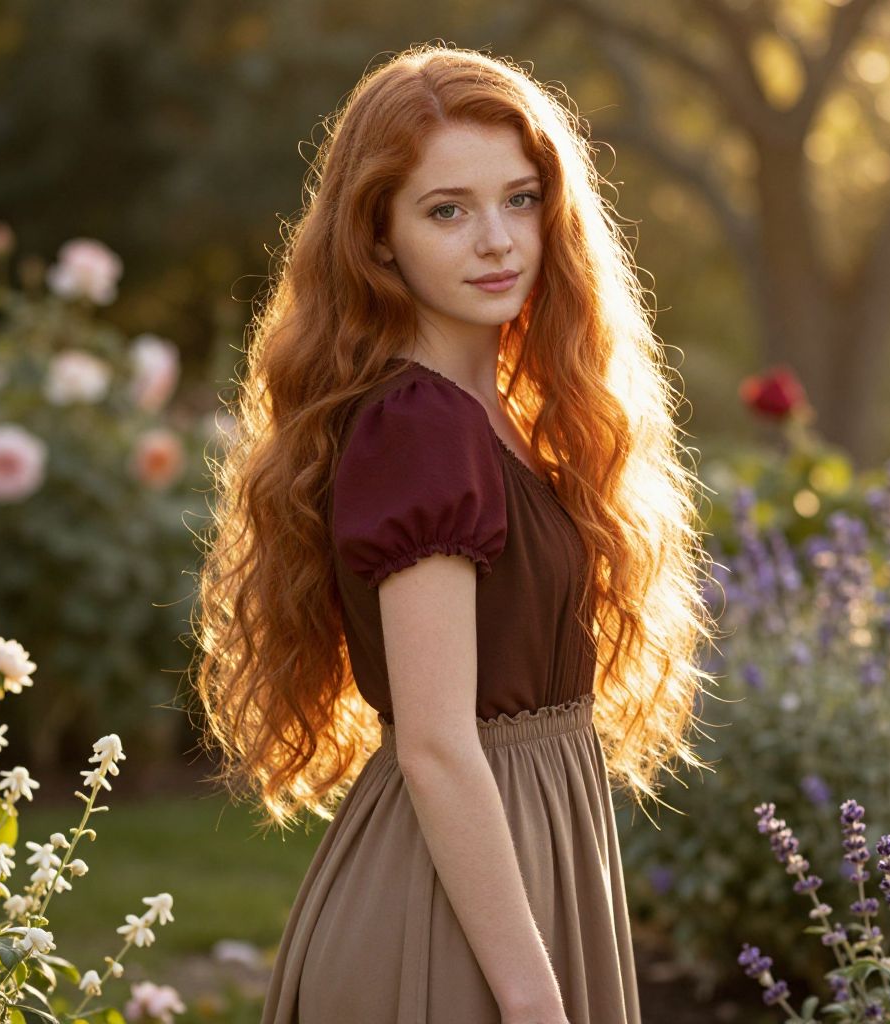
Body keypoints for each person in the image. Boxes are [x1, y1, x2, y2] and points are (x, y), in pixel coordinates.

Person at [192, 41, 719, 1024]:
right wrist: (530, 998)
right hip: (447, 921)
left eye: (520, 199)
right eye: (448, 209)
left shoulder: (501, 415)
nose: (497, 240)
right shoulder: (420, 428)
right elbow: (436, 742)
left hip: (519, 870)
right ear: (378, 237)